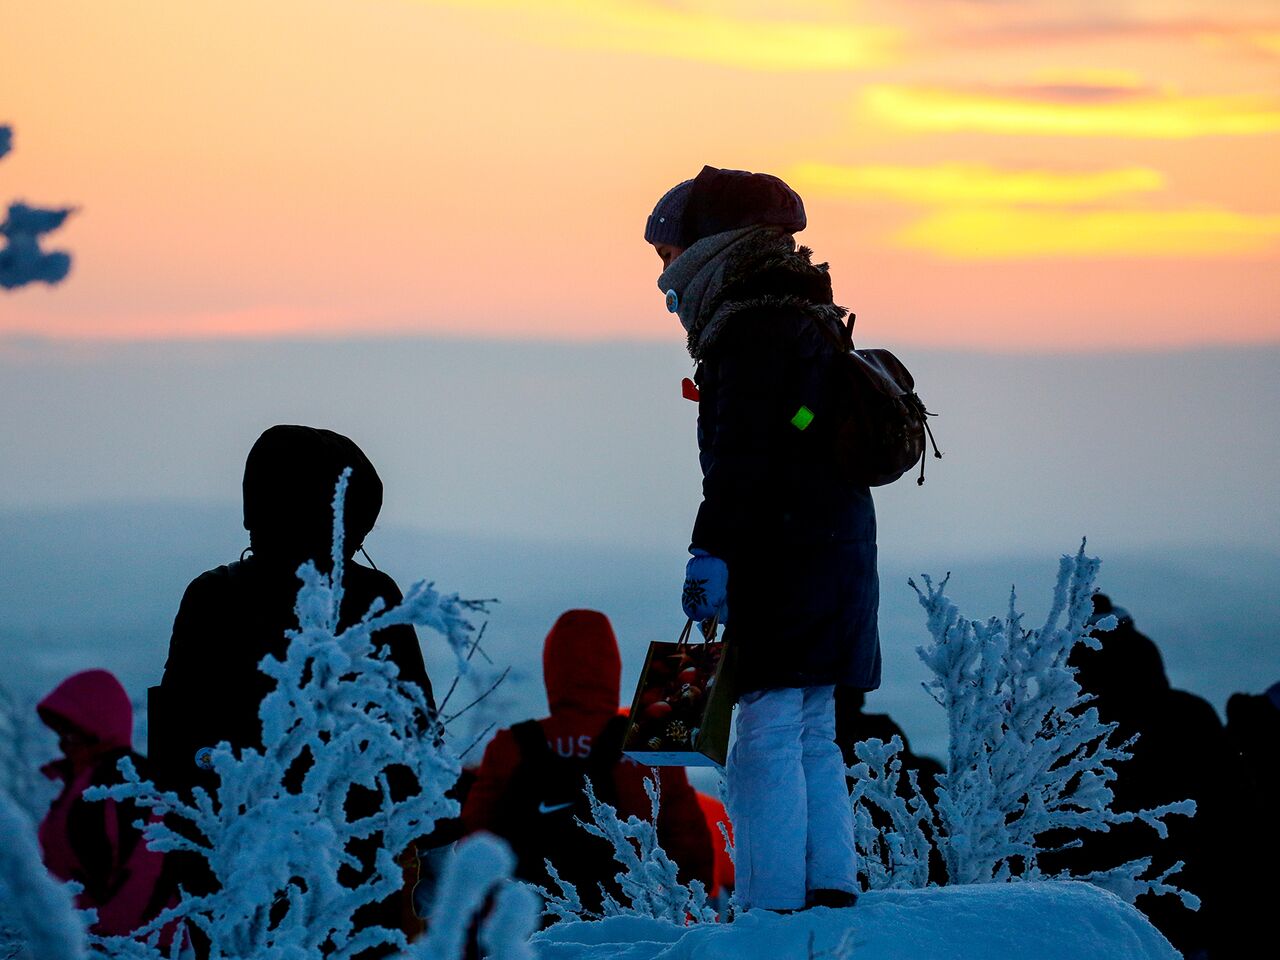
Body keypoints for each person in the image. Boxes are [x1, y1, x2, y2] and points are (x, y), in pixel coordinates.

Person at [645, 166, 880, 912]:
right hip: (836, 546)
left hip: (785, 553)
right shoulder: (806, 315)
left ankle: (771, 907)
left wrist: (711, 550)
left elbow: (744, 460)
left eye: (667, 254)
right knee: (811, 725)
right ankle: (827, 886)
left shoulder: (748, 330)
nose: (662, 275)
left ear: (710, 247)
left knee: (767, 732)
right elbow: (794, 438)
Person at [150, 424, 435, 951]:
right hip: (356, 864)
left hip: (233, 865)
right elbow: (417, 739)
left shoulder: (212, 598)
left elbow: (173, 750)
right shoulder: (371, 597)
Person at [461, 609, 714, 910]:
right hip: (631, 922)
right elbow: (689, 841)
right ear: (612, 666)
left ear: (551, 667)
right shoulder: (647, 743)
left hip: (530, 926)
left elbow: (474, 842)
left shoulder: (511, 745)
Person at [37, 670, 171, 940]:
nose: (63, 747)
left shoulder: (125, 785)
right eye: (62, 736)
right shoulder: (83, 783)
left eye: (72, 736)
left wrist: (103, 942)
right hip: (82, 940)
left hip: (132, 948)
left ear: (97, 731)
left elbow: (146, 873)